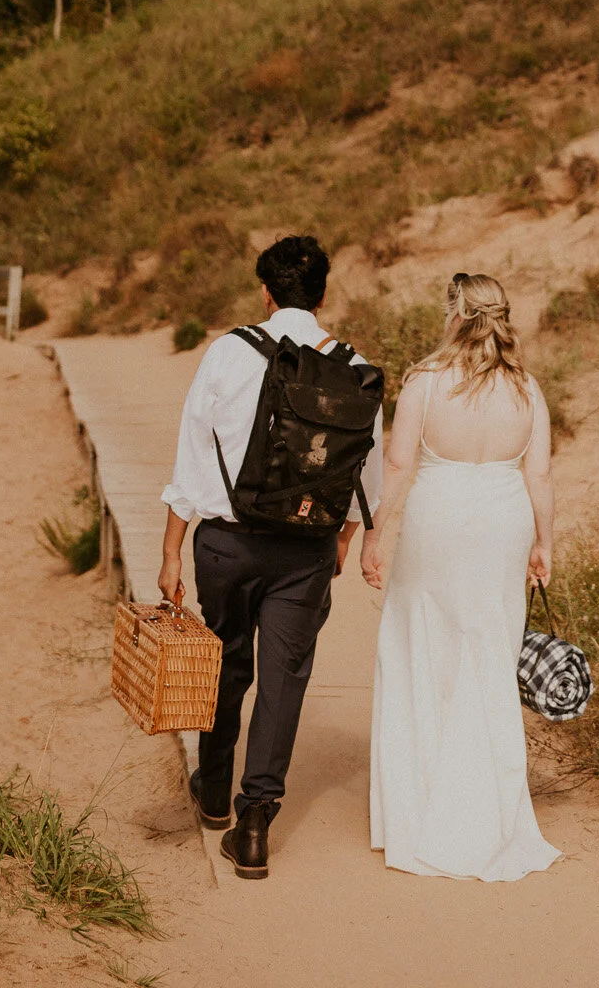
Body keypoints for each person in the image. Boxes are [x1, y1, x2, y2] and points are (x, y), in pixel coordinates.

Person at [159, 234, 384, 880]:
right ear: (319, 295)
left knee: (226, 662)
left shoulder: (226, 355)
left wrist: (172, 550)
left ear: (265, 291)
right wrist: (337, 546)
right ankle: (255, 821)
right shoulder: (350, 364)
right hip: (305, 550)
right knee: (284, 676)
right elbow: (363, 478)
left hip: (227, 544)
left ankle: (212, 790)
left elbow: (191, 458)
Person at [363, 272, 561, 881]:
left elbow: (397, 464)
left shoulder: (426, 381)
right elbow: (540, 477)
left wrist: (374, 531)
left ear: (454, 313)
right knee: (488, 655)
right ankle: (487, 813)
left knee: (422, 649)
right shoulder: (527, 389)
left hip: (439, 522)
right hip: (504, 525)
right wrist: (544, 542)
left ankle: (420, 810)